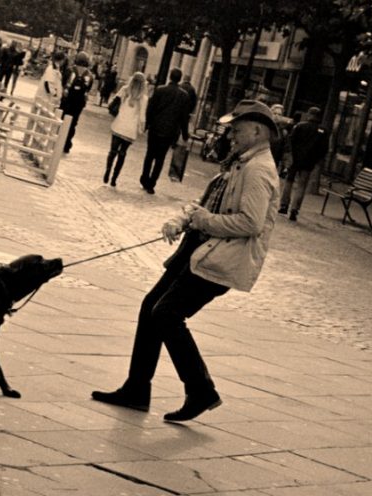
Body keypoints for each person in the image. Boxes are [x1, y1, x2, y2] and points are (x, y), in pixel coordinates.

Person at [90, 100, 282, 422]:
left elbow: (251, 223)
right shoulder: (241, 162)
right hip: (199, 250)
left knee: (165, 313)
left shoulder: (258, 170)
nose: (230, 135)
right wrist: (184, 220)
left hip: (220, 258)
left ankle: (200, 390)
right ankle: (137, 388)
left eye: (235, 130)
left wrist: (204, 221)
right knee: (151, 306)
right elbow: (209, 201)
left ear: (256, 130)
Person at [140, 68, 190, 194]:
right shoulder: (184, 96)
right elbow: (184, 117)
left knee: (150, 154)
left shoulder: (160, 90)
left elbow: (150, 109)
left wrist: (147, 124)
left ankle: (144, 178)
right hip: (170, 132)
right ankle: (152, 183)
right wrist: (185, 134)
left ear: (170, 76)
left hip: (155, 128)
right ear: (179, 79)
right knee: (160, 158)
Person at [278, 106, 328, 222]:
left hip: (295, 160)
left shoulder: (300, 126)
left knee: (289, 182)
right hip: (309, 161)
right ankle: (295, 210)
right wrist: (316, 160)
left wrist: (289, 157)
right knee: (301, 185)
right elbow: (323, 149)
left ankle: (284, 205)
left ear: (309, 114)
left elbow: (291, 142)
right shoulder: (323, 131)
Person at [103, 72, 147, 187]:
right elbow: (142, 117)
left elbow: (113, 102)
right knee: (122, 153)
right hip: (130, 129)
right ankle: (114, 178)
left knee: (112, 151)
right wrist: (142, 128)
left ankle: (107, 171)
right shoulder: (143, 98)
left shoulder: (124, 90)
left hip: (119, 124)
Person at [60, 51, 93, 154]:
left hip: (67, 99)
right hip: (79, 102)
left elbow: (63, 82)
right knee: (73, 123)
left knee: (62, 119)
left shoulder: (70, 70)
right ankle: (67, 144)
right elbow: (88, 88)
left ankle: (59, 140)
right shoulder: (89, 75)